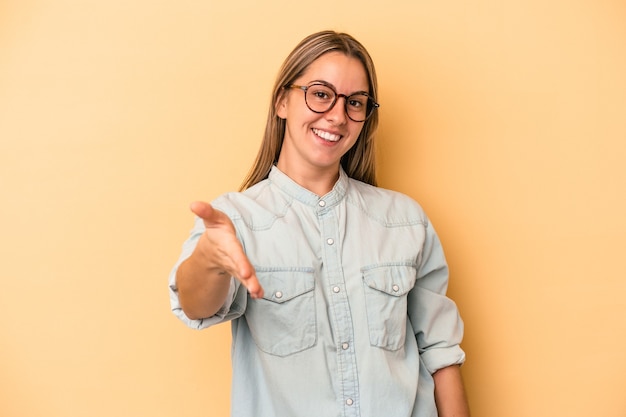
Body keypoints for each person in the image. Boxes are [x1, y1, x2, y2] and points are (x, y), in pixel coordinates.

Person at [169, 30, 470, 417]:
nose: (337, 116)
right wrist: (208, 260)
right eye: (321, 93)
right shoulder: (236, 219)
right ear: (282, 101)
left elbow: (441, 354)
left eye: (355, 103)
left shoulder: (405, 221)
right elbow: (195, 307)